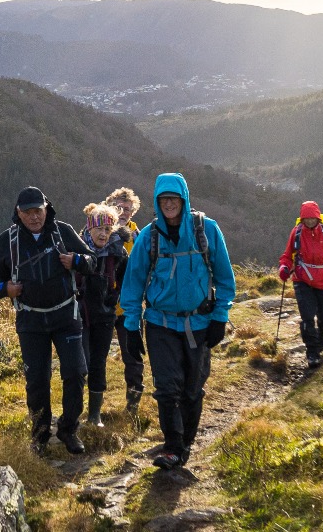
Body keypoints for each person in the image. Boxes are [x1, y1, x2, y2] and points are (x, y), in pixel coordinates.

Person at [118, 173, 235, 469]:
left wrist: (220, 317)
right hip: (160, 323)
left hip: (199, 322)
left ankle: (186, 444)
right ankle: (173, 447)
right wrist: (131, 326)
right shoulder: (149, 236)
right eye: (163, 199)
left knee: (192, 389)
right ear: (157, 202)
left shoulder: (206, 231)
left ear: (183, 200)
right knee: (167, 388)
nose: (169, 204)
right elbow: (132, 284)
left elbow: (224, 277)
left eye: (174, 199)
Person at [0, 187, 96, 455]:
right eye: (28, 212)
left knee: (75, 372)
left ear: (47, 209)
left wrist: (77, 260)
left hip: (66, 316)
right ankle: (40, 435)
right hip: (30, 320)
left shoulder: (63, 232)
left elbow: (92, 262)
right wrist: (5, 289)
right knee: (36, 379)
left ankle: (69, 429)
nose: (35, 217)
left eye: (39, 211)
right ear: (19, 213)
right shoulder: (8, 240)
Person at [278, 201, 323, 369]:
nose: (310, 222)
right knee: (307, 317)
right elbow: (288, 255)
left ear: (318, 218)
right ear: (302, 219)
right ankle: (312, 354)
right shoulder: (296, 233)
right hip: (302, 281)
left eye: (312, 219)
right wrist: (284, 267)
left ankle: (318, 346)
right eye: (306, 219)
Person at [76, 203, 129, 427]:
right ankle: (74, 412)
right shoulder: (76, 250)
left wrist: (115, 295)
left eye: (108, 229)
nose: (103, 233)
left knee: (98, 363)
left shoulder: (117, 253)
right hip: (80, 316)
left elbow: (126, 279)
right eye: (99, 228)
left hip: (105, 317)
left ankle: (94, 415)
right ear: (89, 229)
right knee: (81, 363)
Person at [101, 187, 148, 414]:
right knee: (96, 356)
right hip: (101, 306)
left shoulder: (140, 237)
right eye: (118, 207)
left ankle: (133, 404)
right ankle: (95, 404)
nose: (123, 212)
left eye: (127, 209)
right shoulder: (97, 230)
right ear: (110, 206)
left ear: (133, 212)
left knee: (133, 357)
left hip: (130, 308)